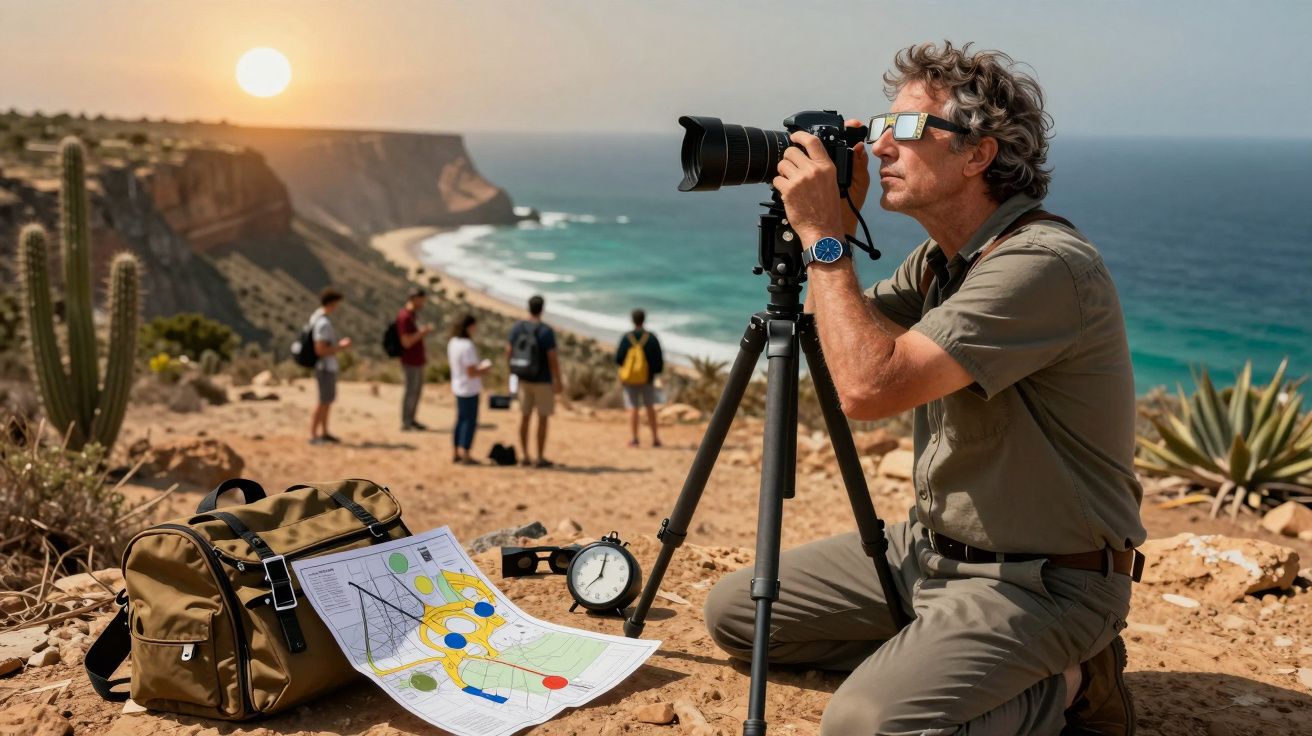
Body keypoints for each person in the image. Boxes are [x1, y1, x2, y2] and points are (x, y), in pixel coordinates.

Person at [703, 42, 1146, 735]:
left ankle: (1072, 680)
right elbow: (839, 334)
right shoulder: (942, 263)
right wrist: (830, 239)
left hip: (1040, 583)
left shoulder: (1041, 267)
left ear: (977, 154)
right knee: (735, 614)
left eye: (906, 129)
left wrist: (827, 236)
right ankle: (940, 655)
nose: (880, 146)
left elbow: (867, 387)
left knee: (862, 725)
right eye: (881, 126)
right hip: (927, 554)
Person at [506, 294, 562, 467]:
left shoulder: (518, 327)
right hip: (543, 380)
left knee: (524, 418)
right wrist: (557, 379)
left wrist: (512, 372)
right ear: (542, 309)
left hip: (523, 378)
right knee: (542, 419)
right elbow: (552, 357)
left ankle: (525, 455)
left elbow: (508, 351)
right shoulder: (545, 331)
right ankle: (539, 456)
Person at [307, 287, 351, 445]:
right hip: (325, 367)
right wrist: (340, 347)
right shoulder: (323, 323)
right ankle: (313, 435)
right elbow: (320, 349)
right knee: (323, 401)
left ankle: (324, 432)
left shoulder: (317, 318)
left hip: (325, 367)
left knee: (326, 401)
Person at [614, 308, 664, 447]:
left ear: (632, 320)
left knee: (633, 408)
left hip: (630, 379)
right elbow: (658, 361)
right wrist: (653, 373)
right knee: (650, 407)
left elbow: (619, 359)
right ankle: (655, 438)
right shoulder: (652, 338)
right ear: (644, 319)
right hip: (647, 379)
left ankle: (635, 439)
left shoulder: (626, 338)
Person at [447, 313, 492, 464]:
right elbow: (471, 372)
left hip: (458, 386)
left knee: (460, 420)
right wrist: (485, 369)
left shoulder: (453, 342)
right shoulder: (467, 346)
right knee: (469, 422)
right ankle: (466, 453)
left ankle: (455, 451)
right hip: (469, 388)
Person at [397, 287, 435, 431]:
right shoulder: (405, 317)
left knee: (416, 391)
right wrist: (422, 333)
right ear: (414, 299)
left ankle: (412, 420)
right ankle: (406, 422)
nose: (423, 303)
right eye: (421, 300)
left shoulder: (413, 315)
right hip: (410, 360)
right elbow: (406, 341)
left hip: (417, 360)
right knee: (410, 391)